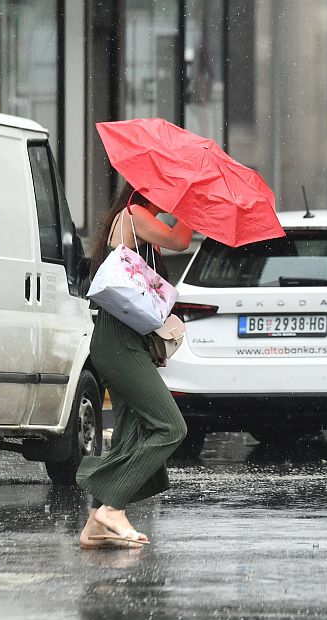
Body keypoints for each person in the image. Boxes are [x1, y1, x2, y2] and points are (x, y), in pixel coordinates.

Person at [75, 181, 193, 550]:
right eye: (169, 189)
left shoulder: (137, 224)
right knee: (170, 427)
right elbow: (181, 241)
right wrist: (194, 206)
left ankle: (98, 523)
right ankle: (112, 509)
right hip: (119, 343)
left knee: (131, 430)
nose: (172, 198)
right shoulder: (135, 215)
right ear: (147, 188)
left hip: (124, 342)